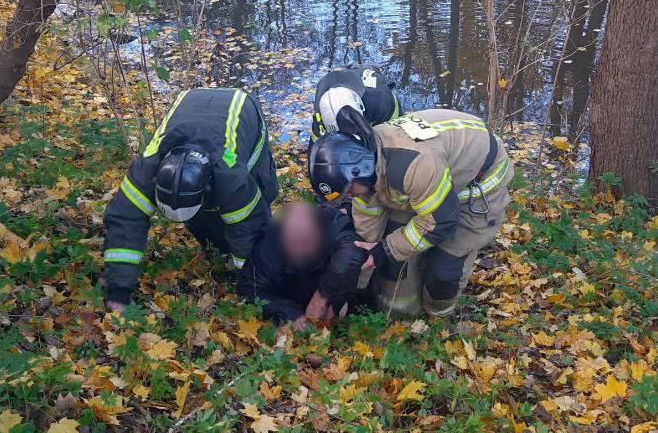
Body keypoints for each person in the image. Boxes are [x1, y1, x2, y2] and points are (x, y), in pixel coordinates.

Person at [307, 107, 512, 318]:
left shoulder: (413, 166)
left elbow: (440, 223)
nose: (349, 198)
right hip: (432, 182)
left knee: (444, 270)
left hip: (477, 185)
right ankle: (402, 315)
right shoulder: (368, 163)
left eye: (349, 191)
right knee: (396, 253)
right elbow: (366, 233)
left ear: (360, 171)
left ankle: (438, 319)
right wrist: (351, 289)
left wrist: (385, 250)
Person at [102, 88, 277, 308]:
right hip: (193, 101)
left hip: (242, 107)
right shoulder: (147, 168)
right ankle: (217, 245)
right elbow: (125, 222)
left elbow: (250, 229)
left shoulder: (233, 179)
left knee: (261, 193)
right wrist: (118, 291)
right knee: (204, 222)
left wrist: (252, 288)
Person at [238, 201, 367, 329]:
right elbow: (249, 290)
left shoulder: (335, 225)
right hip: (288, 297)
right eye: (291, 242)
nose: (297, 251)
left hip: (322, 288)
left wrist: (326, 297)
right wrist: (293, 314)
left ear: (319, 233)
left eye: (304, 242)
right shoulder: (269, 245)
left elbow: (351, 254)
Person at [311, 66, 403, 139]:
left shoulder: (381, 103)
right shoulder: (320, 113)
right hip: (341, 80)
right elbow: (316, 144)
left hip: (379, 96)